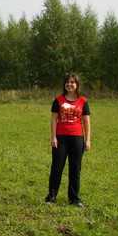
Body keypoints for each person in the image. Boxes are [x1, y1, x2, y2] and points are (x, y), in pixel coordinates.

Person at [45, 73, 91, 207]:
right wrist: (53, 137)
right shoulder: (58, 100)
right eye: (67, 82)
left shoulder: (83, 101)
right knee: (56, 168)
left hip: (77, 139)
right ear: (64, 84)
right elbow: (53, 119)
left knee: (75, 169)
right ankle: (51, 196)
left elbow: (87, 122)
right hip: (60, 139)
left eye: (72, 82)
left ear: (77, 85)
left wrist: (87, 140)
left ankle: (74, 199)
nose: (69, 84)